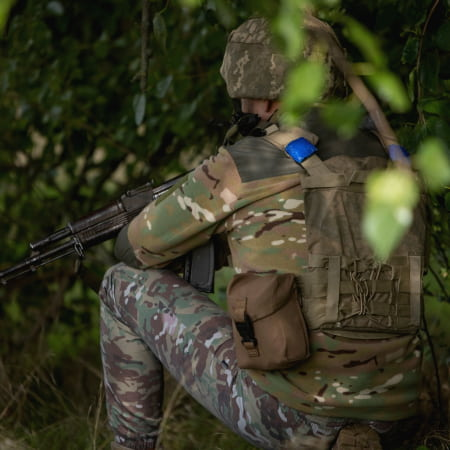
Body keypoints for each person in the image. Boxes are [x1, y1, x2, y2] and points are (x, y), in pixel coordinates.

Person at [99, 15, 425, 450]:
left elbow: (135, 248)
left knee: (121, 285)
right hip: (397, 418)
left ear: (266, 98)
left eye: (244, 98)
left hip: (294, 418)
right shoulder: (396, 161)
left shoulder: (247, 161)